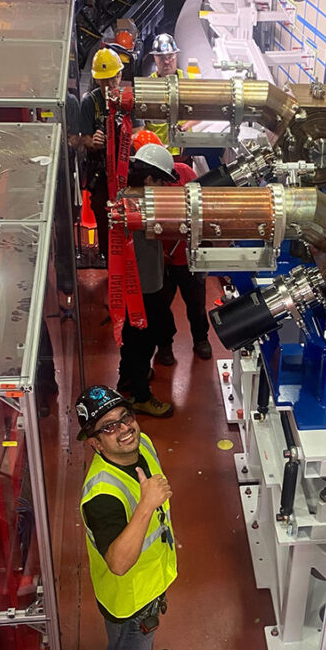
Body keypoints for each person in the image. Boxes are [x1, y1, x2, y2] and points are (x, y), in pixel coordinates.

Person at [76, 385, 177, 650]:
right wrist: (147, 504)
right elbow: (118, 563)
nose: (124, 429)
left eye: (125, 417)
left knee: (138, 648)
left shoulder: (141, 444)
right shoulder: (102, 496)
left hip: (151, 579)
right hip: (129, 597)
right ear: (95, 443)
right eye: (108, 427)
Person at [116, 142, 177, 418]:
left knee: (131, 336)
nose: (163, 187)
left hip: (133, 283)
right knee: (144, 340)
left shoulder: (123, 196)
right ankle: (141, 396)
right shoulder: (143, 206)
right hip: (144, 287)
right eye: (161, 182)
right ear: (149, 179)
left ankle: (127, 378)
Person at [156, 153, 213, 365]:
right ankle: (164, 345)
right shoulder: (145, 185)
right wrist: (155, 253)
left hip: (188, 256)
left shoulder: (185, 173)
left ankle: (201, 339)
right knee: (160, 306)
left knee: (196, 303)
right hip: (161, 259)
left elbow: (202, 206)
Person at [79, 47, 127, 260]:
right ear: (97, 80)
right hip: (100, 175)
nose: (109, 84)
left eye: (112, 78)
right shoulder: (90, 102)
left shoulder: (128, 100)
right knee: (103, 216)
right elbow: (83, 138)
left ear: (120, 75)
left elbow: (139, 130)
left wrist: (123, 138)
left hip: (126, 172)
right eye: (103, 80)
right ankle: (109, 258)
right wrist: (93, 142)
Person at [145, 32, 184, 154]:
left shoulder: (188, 81)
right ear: (155, 58)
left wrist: (185, 127)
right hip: (156, 152)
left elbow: (202, 110)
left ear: (176, 55)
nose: (167, 61)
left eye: (170, 56)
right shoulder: (147, 86)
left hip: (182, 151)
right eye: (162, 58)